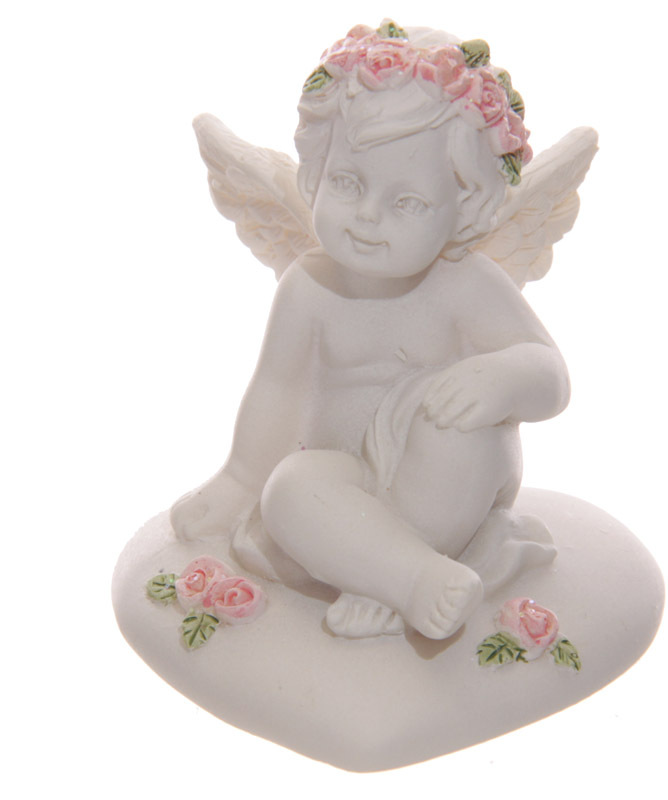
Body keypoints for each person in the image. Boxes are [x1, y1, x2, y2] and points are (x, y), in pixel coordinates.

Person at [171, 22, 570, 640]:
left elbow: (551, 378)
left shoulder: (466, 284)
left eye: (407, 203)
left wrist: (503, 377)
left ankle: (400, 567)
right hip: (349, 482)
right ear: (316, 171)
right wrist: (242, 479)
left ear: (464, 208)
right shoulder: (309, 288)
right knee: (289, 490)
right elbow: (277, 390)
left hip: (450, 479)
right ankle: (409, 577)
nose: (366, 216)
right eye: (347, 183)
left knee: (453, 428)